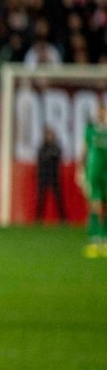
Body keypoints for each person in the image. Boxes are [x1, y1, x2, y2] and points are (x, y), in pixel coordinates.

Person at [82, 101, 107, 257]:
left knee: (104, 206)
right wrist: (80, 170)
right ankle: (95, 237)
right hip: (94, 173)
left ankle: (104, 238)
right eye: (100, 112)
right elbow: (84, 150)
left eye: (103, 112)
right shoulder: (91, 131)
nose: (101, 114)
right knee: (95, 204)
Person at [36, 128, 66, 224]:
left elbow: (58, 156)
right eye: (48, 135)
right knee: (41, 198)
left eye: (51, 135)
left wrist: (50, 156)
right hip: (43, 175)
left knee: (58, 198)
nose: (50, 137)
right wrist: (50, 156)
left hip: (54, 175)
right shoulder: (42, 147)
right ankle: (38, 218)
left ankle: (63, 218)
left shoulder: (55, 146)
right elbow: (41, 159)